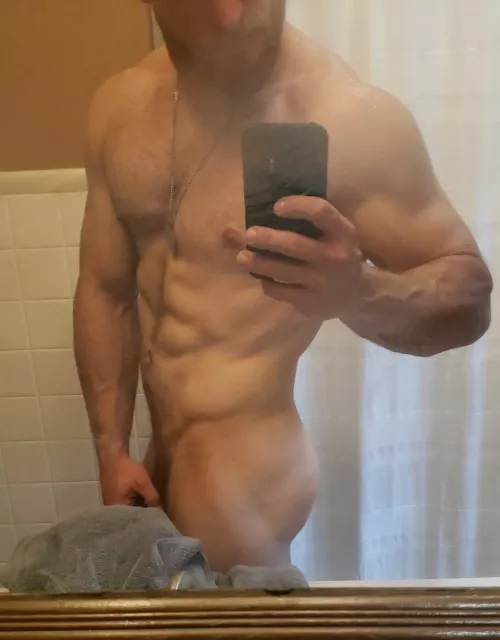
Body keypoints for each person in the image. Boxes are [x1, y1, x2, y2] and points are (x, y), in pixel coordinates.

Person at [74, 0, 493, 572]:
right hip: (155, 463)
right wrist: (111, 449)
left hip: (244, 483)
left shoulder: (346, 117)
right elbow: (105, 290)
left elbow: (470, 294)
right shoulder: (120, 109)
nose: (229, 15)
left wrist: (360, 292)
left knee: (236, 633)